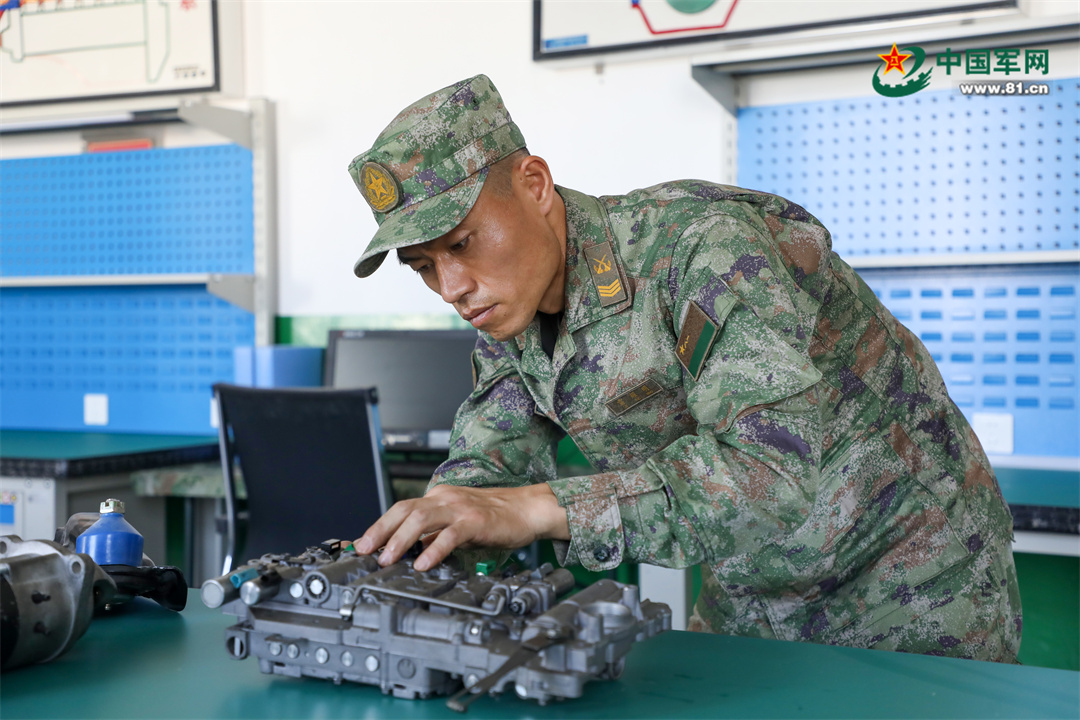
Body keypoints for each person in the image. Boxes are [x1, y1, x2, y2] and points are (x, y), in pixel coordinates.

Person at [348, 74, 1021, 662]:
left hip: (904, 578)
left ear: (535, 184)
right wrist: (416, 547)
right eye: (424, 266)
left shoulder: (701, 246)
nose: (452, 287)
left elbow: (768, 470)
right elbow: (486, 463)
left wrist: (539, 508)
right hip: (751, 587)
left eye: (463, 243)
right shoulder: (507, 310)